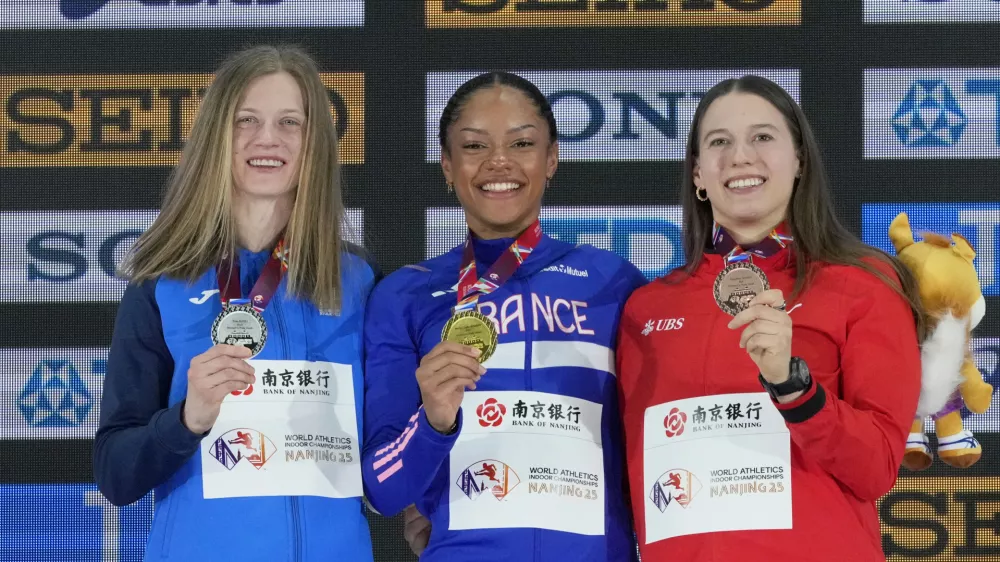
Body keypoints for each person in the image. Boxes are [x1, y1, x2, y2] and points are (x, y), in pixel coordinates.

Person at [616, 75, 924, 561]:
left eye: (762, 137)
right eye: (719, 142)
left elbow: (877, 468)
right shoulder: (647, 308)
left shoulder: (863, 284)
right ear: (697, 174)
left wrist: (792, 385)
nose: (740, 157)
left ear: (799, 159)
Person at [93, 45, 379, 562]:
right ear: (216, 136)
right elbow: (116, 474)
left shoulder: (359, 282)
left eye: (290, 122)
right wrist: (188, 419)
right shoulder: (162, 283)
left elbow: (390, 450)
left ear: (314, 143)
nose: (267, 138)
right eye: (246, 120)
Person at [361, 72, 647, 561]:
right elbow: (382, 490)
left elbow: (653, 450)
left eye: (522, 143)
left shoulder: (615, 283)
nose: (499, 161)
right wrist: (432, 423)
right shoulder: (406, 294)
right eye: (475, 146)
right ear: (447, 165)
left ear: (551, 158)